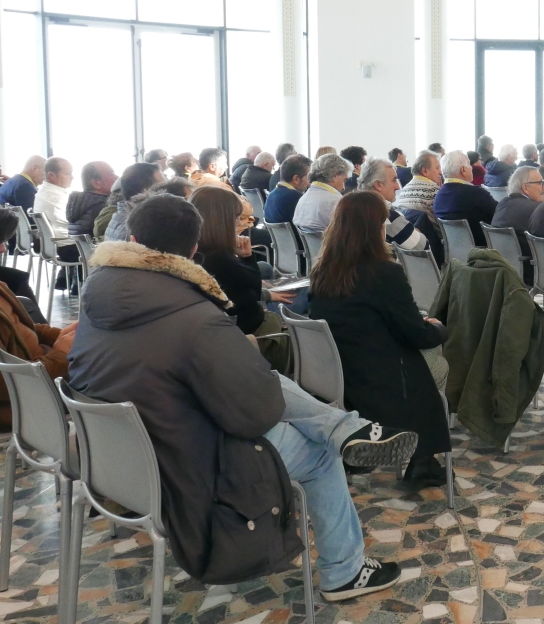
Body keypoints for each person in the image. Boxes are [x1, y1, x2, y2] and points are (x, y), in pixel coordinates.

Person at [68, 193, 417, 599]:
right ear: (194, 249)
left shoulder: (97, 294)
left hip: (116, 457)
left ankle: (345, 429)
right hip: (187, 463)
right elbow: (257, 412)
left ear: (131, 237)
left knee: (265, 378)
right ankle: (345, 569)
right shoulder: (196, 317)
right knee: (319, 450)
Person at [309, 191, 452, 486]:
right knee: (437, 363)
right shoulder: (385, 273)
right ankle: (422, 458)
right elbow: (417, 334)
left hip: (339, 378)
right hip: (382, 382)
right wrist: (439, 328)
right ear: (376, 229)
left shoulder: (322, 270)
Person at [0, 196, 74, 431]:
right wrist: (61, 355)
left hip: (36, 374)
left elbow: (17, 324)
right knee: (114, 387)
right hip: (13, 405)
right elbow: (3, 384)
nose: (2, 249)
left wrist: (60, 335)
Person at [188, 187, 295, 372]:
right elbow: (252, 291)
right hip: (253, 335)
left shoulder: (197, 252)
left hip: (224, 335)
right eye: (236, 217)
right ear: (222, 221)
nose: (239, 222)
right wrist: (248, 258)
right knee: (297, 302)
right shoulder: (220, 259)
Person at [357, 158, 426, 250]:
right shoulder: (386, 216)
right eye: (394, 180)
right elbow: (422, 246)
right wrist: (415, 232)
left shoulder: (351, 209)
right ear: (378, 185)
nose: (397, 187)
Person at [492, 166, 544, 283]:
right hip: (530, 270)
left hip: (499, 268)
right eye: (540, 183)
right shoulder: (536, 209)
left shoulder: (502, 204)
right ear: (525, 188)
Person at [433, 150, 498, 245]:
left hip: (454, 252)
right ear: (463, 170)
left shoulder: (439, 195)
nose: (471, 168)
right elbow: (499, 215)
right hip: (484, 251)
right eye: (469, 165)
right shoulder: (476, 194)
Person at [104, 163, 165, 241]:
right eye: (162, 187)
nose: (168, 191)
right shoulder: (139, 226)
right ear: (146, 191)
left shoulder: (121, 217)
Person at [292, 154, 351, 233]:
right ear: (335, 176)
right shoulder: (336, 202)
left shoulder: (303, 198)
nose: (344, 187)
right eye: (344, 180)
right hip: (330, 245)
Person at [67, 161, 117, 237]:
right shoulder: (103, 207)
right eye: (111, 174)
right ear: (96, 183)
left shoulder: (77, 204)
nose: (117, 177)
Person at [394, 150, 443, 219]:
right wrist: (440, 191)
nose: (440, 172)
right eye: (437, 168)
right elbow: (444, 226)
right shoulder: (433, 190)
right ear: (424, 171)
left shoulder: (404, 191)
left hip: (410, 229)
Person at [264, 154, 311, 225]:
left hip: (276, 236)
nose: (309, 182)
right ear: (296, 179)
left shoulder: (272, 194)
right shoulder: (295, 198)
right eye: (308, 177)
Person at [34, 157, 73, 235]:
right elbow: (73, 221)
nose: (72, 177)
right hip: (68, 243)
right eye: (67, 174)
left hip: (57, 242)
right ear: (51, 175)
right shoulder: (53, 197)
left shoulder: (44, 191)